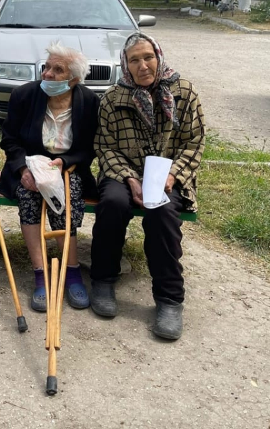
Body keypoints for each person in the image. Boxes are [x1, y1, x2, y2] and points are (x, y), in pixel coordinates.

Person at [90, 32, 205, 341]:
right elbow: (105, 147)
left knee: (162, 211)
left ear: (159, 56)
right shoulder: (113, 98)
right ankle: (102, 280)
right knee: (113, 204)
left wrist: (172, 175)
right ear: (125, 65)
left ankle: (169, 299)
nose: (143, 65)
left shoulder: (184, 92)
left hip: (168, 175)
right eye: (134, 60)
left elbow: (194, 142)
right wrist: (129, 177)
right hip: (122, 173)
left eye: (148, 57)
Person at [0, 42, 99, 312]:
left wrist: (64, 162)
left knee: (66, 199)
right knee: (28, 196)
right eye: (46, 67)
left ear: (74, 79)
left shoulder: (89, 102)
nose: (47, 74)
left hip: (67, 169)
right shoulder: (24, 95)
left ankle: (72, 270)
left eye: (57, 70)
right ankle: (40, 274)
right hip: (28, 166)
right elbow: (9, 140)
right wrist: (23, 169)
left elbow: (89, 150)